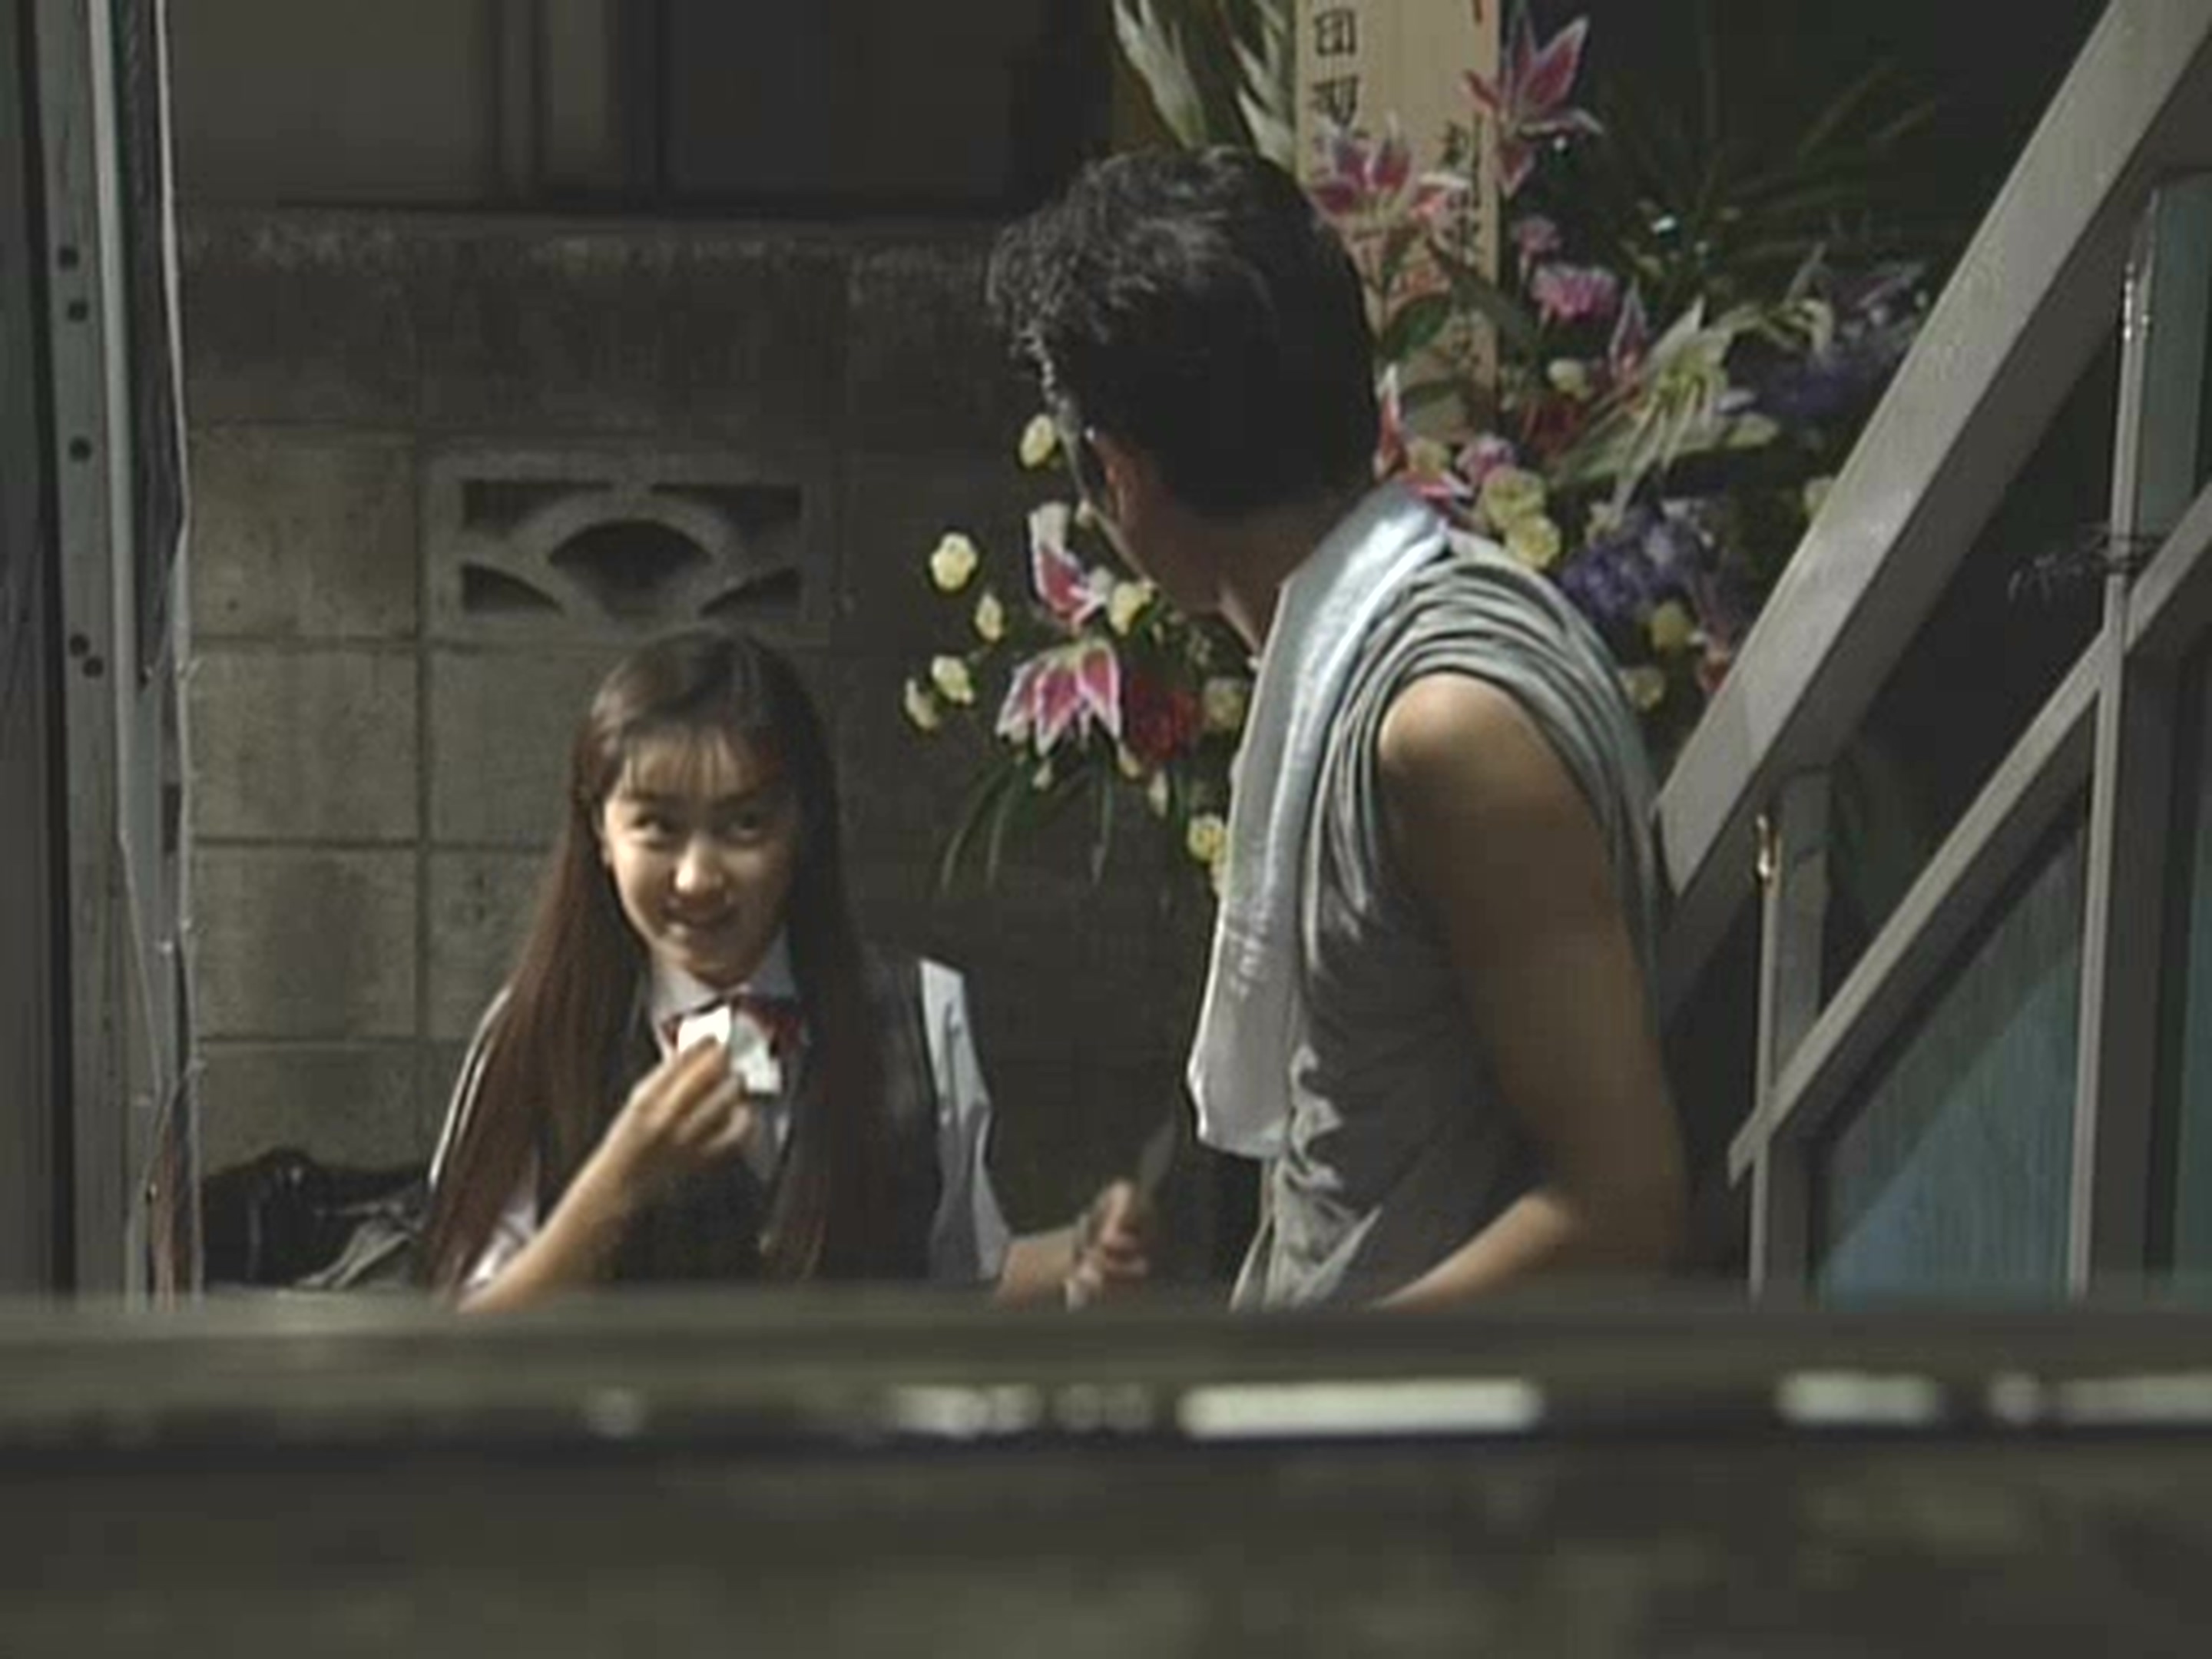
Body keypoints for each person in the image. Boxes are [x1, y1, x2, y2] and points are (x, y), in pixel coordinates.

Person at [986, 147, 1686, 1310]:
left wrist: (1312, 1390)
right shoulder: (1391, 662)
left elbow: (1621, 1206)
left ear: (1118, 472)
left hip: (1407, 1416)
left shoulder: (1441, 727)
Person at [419, 627, 1149, 1310]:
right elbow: (458, 1351)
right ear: (600, 833)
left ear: (803, 824)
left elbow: (954, 1280)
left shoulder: (926, 1013)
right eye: (658, 828)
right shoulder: (535, 1035)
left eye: (745, 825)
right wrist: (617, 1182)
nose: (697, 878)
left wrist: (1078, 1252)